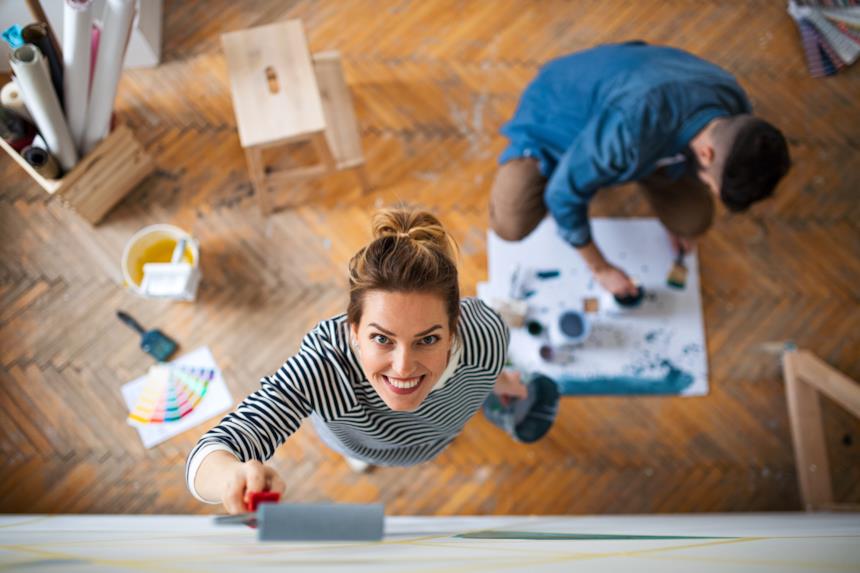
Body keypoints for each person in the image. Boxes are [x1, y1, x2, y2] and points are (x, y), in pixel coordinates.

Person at [186, 207, 527, 514]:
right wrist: (231, 475)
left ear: (453, 331)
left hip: (435, 438)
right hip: (359, 441)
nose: (403, 367)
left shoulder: (489, 334)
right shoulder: (324, 365)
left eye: (427, 339)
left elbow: (486, 365)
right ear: (354, 330)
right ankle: (360, 457)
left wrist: (497, 379)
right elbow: (211, 451)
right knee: (360, 454)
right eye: (382, 339)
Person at [489, 41, 791, 297]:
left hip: (642, 121)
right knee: (511, 223)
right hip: (558, 117)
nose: (711, 189)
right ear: (706, 153)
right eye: (713, 184)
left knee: (692, 221)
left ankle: (635, 166)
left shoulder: (734, 107)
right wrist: (601, 268)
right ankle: (548, 161)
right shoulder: (631, 130)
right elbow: (562, 194)